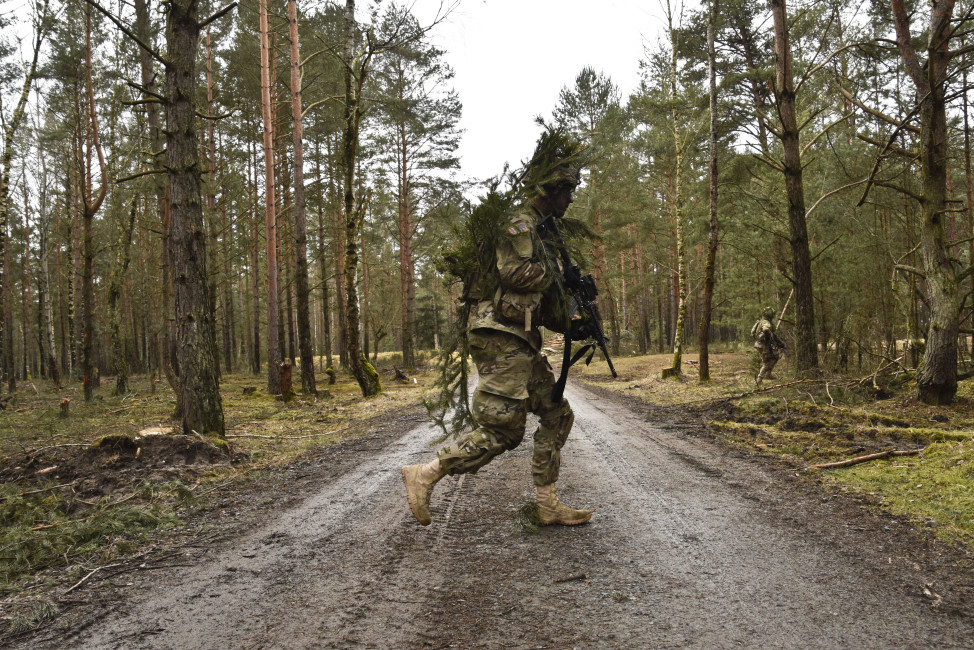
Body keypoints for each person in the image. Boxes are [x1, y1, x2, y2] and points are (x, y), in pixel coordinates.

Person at [401, 152, 591, 527]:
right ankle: (426, 473)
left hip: (519, 336)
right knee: (503, 429)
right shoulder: (520, 223)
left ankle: (546, 503)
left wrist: (574, 324)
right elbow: (514, 274)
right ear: (551, 189)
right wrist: (560, 278)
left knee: (556, 413)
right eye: (569, 190)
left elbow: (538, 302)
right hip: (499, 334)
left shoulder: (542, 229)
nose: (571, 199)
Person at [752, 306, 783, 386]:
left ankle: (768, 374)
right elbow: (766, 330)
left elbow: (752, 333)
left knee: (775, 356)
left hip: (758, 344)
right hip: (763, 345)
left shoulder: (760, 321)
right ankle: (759, 380)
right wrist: (769, 338)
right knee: (767, 362)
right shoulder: (766, 323)